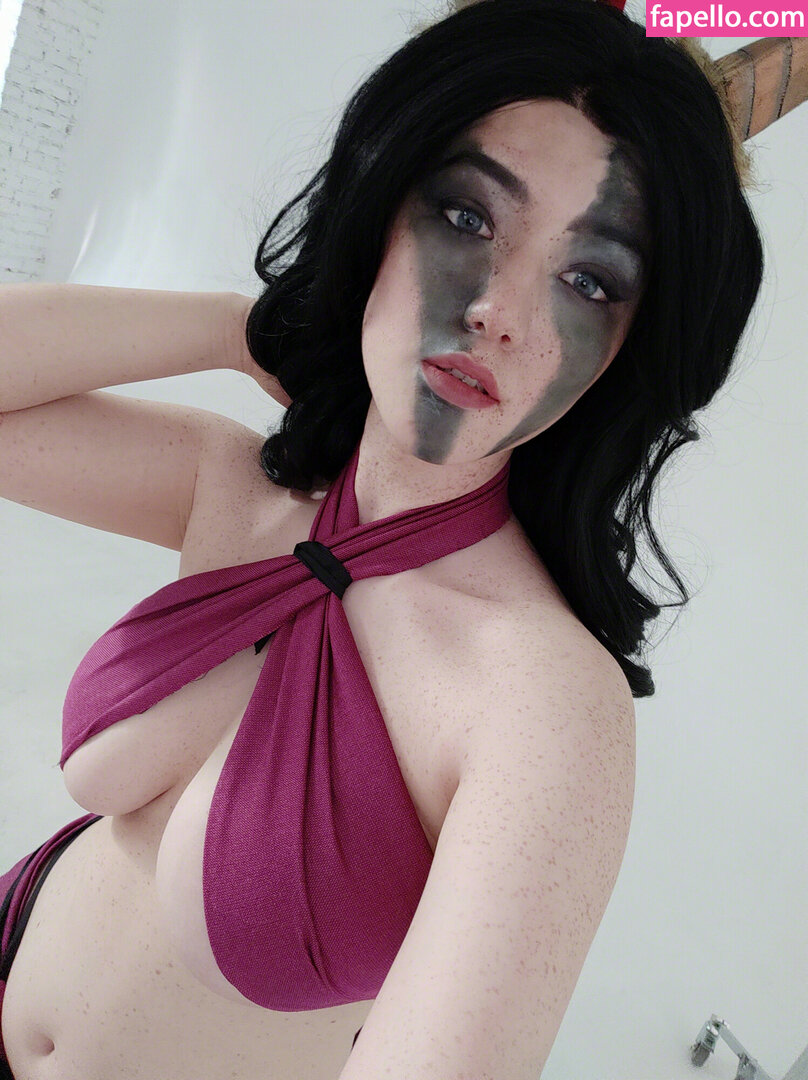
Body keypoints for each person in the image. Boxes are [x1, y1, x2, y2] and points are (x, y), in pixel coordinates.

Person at [0, 0, 772, 1076]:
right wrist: (238, 326)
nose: (499, 310)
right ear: (380, 209)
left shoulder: (542, 707)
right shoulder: (242, 491)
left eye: (588, 281)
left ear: (621, 357)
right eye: (466, 217)